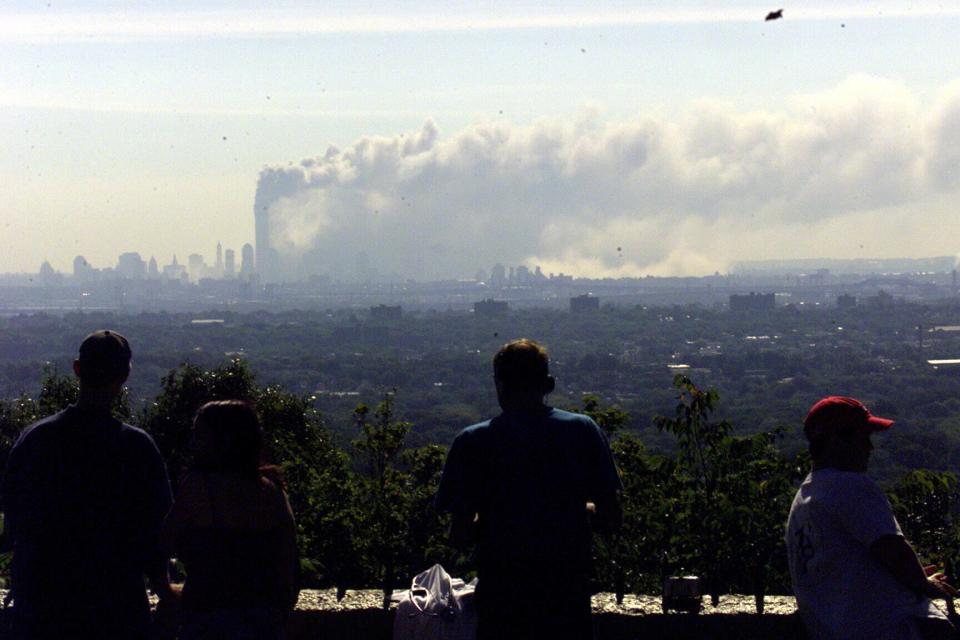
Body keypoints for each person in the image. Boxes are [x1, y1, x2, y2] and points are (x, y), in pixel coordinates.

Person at [436, 339, 622, 640]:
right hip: (566, 600)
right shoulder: (582, 431)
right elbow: (612, 519)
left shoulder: (472, 443)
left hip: (501, 602)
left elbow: (459, 536)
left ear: (499, 385)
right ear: (548, 384)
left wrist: (496, 520)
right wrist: (577, 512)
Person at [0, 330, 175, 639]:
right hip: (116, 608)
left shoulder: (35, 440)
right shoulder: (137, 448)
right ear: (125, 376)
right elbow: (157, 532)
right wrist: (163, 587)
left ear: (77, 369)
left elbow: (14, 519)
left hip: (42, 606)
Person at [786, 396, 959, 640]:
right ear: (836, 441)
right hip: (883, 629)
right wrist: (923, 583)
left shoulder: (805, 496)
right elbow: (891, 549)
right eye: (863, 438)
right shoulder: (849, 486)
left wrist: (912, 576)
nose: (870, 448)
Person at [160, 400, 298, 640]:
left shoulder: (199, 488)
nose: (193, 444)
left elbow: (161, 546)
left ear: (223, 442)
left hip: (205, 621)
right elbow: (289, 566)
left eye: (200, 437)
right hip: (262, 623)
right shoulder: (273, 492)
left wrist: (167, 591)